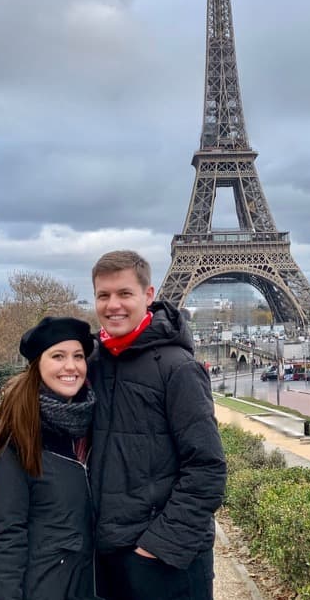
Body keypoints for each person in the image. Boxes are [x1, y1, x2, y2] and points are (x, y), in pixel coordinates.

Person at [89, 250, 227, 600]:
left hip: (164, 558)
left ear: (148, 296)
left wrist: (157, 547)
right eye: (103, 295)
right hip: (106, 556)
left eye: (124, 293)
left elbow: (207, 468)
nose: (113, 304)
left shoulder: (179, 368)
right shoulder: (92, 364)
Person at [0, 316, 97, 600]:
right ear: (38, 365)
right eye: (58, 356)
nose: (70, 366)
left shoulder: (96, 426)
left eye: (78, 356)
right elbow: (6, 536)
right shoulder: (18, 441)